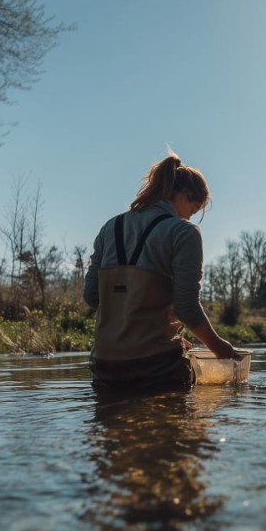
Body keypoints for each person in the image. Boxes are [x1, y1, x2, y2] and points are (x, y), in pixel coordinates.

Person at [83, 152, 238, 391]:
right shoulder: (183, 232)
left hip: (106, 368)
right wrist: (218, 347)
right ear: (185, 195)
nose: (190, 217)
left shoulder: (109, 228)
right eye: (194, 209)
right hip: (156, 368)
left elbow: (92, 296)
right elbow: (187, 307)